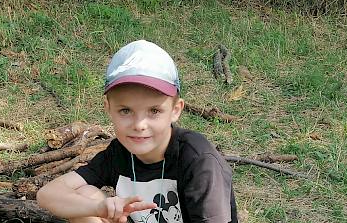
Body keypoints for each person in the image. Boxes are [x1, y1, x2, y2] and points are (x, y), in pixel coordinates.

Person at [37, 40, 238, 223]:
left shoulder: (198, 159)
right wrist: (98, 208)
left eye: (154, 111)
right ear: (108, 108)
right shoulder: (118, 153)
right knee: (86, 196)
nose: (139, 124)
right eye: (125, 110)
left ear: (175, 110)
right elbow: (47, 194)